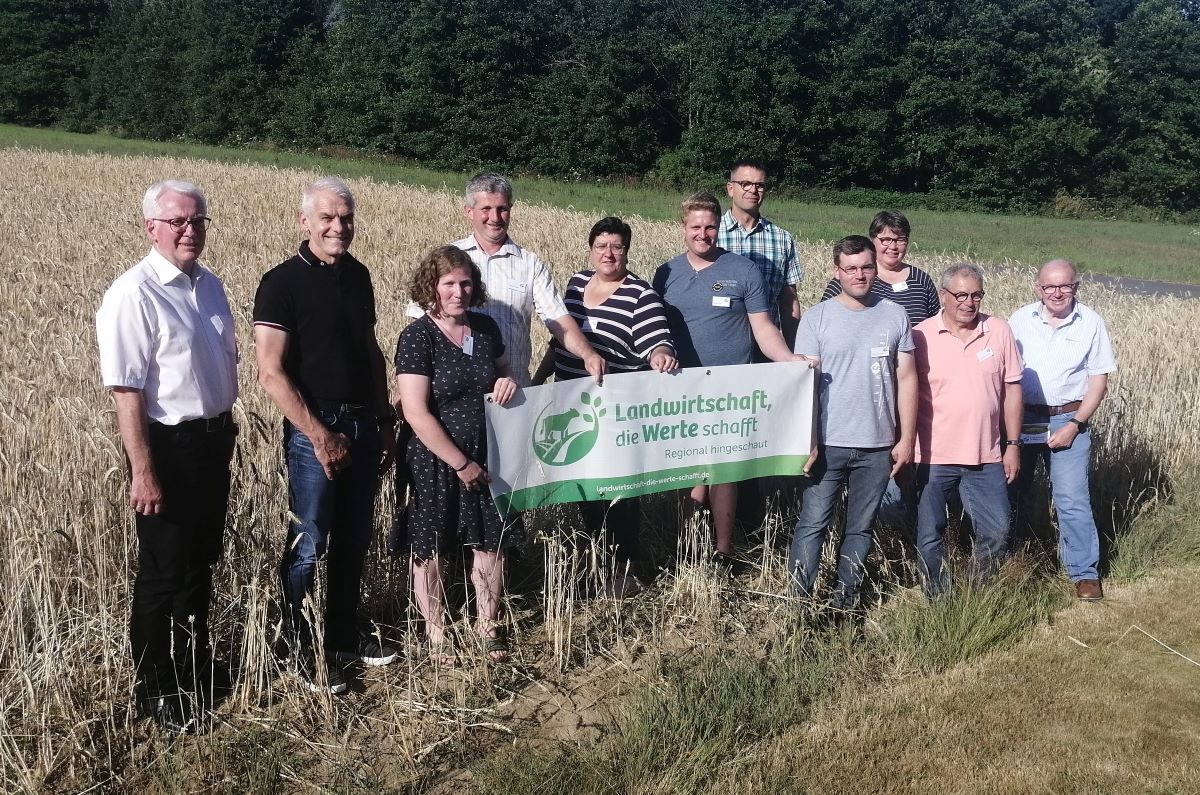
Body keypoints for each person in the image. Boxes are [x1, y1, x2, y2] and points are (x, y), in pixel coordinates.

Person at [96, 180, 238, 734]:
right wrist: (143, 470)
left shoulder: (210, 286)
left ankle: (192, 667)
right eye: (178, 221)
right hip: (167, 447)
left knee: (201, 562)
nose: (190, 230)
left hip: (212, 441)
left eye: (198, 220)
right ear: (151, 227)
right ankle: (154, 689)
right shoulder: (133, 293)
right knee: (161, 572)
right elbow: (126, 392)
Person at [253, 177, 398, 695]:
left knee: (355, 539)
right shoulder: (281, 283)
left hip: (363, 423)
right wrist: (318, 434)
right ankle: (293, 647)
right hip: (314, 429)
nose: (339, 227)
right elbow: (270, 373)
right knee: (309, 542)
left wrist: (383, 420)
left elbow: (370, 349)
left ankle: (340, 638)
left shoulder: (358, 276)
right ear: (305, 222)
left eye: (346, 218)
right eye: (328, 218)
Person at [653, 192, 811, 564]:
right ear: (683, 228)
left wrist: (789, 359)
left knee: (724, 470)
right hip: (682, 387)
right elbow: (653, 328)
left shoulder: (743, 271)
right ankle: (690, 547)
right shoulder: (666, 273)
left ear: (718, 227)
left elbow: (764, 328)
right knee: (688, 468)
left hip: (729, 391)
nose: (703, 234)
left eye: (710, 226)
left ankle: (723, 550)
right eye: (695, 227)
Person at [531, 217, 678, 598]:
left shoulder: (640, 295)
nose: (609, 254)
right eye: (602, 246)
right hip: (569, 403)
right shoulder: (577, 285)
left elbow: (657, 341)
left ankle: (624, 569)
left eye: (617, 247)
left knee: (618, 492)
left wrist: (662, 355)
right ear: (590, 249)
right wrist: (536, 380)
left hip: (614, 411)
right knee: (583, 487)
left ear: (627, 251)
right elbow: (561, 341)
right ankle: (598, 558)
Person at [395, 245, 523, 662]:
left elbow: (506, 371)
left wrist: (508, 381)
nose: (458, 291)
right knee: (431, 547)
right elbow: (415, 412)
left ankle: (489, 625)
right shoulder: (417, 337)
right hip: (436, 462)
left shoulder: (485, 329)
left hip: (490, 453)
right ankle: (436, 634)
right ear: (431, 287)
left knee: (491, 543)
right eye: (448, 283)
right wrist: (460, 463)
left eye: (466, 282)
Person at [789, 236, 916, 614]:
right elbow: (804, 387)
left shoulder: (895, 315)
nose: (859, 274)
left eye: (866, 266)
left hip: (877, 446)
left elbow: (907, 378)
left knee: (859, 529)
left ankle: (846, 602)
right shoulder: (817, 319)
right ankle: (798, 604)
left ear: (876, 268)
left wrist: (906, 438)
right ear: (836, 272)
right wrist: (809, 441)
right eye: (851, 268)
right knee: (812, 526)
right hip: (828, 444)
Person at [823, 211, 940, 530]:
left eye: (899, 239)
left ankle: (907, 532)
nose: (893, 246)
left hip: (910, 389)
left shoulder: (921, 282)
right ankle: (874, 533)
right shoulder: (852, 280)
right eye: (885, 239)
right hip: (865, 396)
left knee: (910, 467)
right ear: (873, 242)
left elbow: (936, 330)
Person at [912, 264, 1024, 595]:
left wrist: (1013, 444)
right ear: (943, 296)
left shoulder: (999, 331)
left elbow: (1012, 390)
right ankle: (938, 598)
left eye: (976, 295)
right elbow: (905, 393)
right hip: (932, 455)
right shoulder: (920, 335)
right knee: (930, 533)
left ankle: (979, 592)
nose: (969, 302)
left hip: (986, 455)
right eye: (960, 294)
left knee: (997, 529)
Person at [1009, 259, 1117, 601]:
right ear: (1037, 288)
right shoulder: (1019, 320)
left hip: (1069, 419)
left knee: (1071, 499)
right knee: (1011, 491)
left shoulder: (1091, 323)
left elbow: (1098, 382)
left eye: (1065, 286)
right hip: (1023, 419)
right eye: (1049, 287)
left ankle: (1084, 573)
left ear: (1076, 286)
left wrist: (1075, 424)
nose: (1057, 293)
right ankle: (1009, 561)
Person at [442, 172, 605, 387]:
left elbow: (558, 319)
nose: (495, 217)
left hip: (515, 395)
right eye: (486, 209)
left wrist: (588, 354)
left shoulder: (530, 264)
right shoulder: (447, 259)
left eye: (502, 209)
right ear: (469, 212)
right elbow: (422, 321)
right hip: (459, 397)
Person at [718, 159, 803, 347]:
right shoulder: (711, 235)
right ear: (730, 188)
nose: (753, 190)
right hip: (720, 346)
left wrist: (793, 349)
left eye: (759, 185)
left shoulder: (782, 239)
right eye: (745, 184)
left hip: (767, 348)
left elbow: (789, 301)